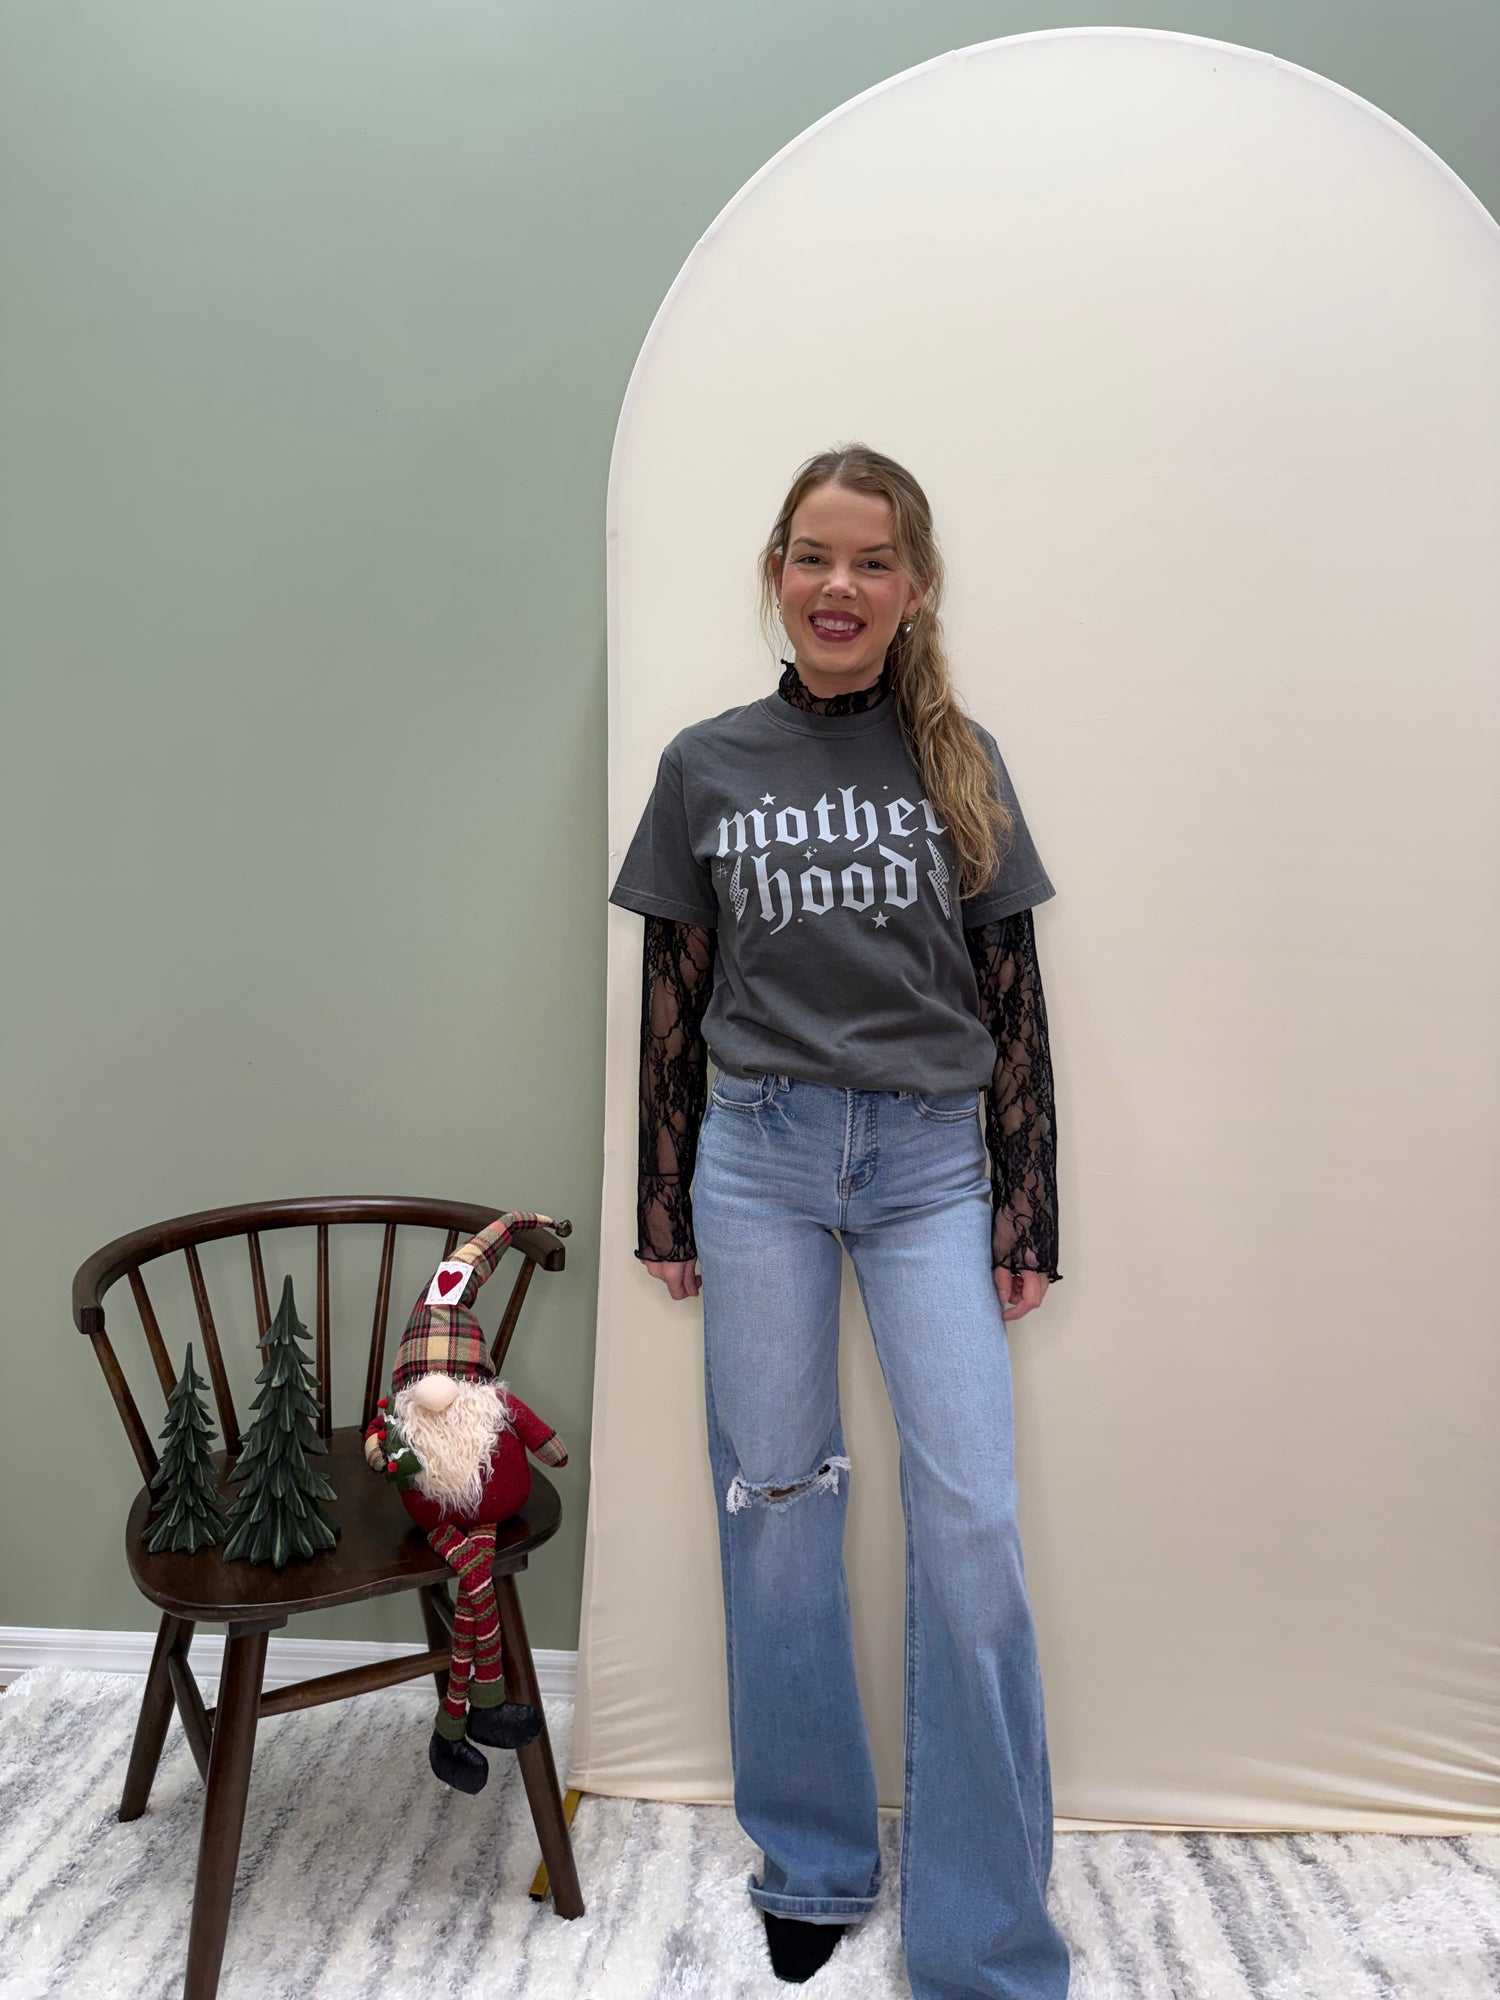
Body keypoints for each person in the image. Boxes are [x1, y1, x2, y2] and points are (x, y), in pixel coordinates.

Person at [608, 442, 1071, 2000]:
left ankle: (983, 1932)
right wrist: (665, 1191)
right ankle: (811, 1858)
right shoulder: (706, 764)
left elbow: (1010, 995)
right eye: (814, 554)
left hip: (933, 1170)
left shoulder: (963, 760)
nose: (840, 585)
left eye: (873, 561)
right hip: (758, 1163)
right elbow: (674, 994)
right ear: (777, 572)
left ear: (915, 588)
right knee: (779, 1507)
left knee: (973, 1526)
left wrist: (1027, 1206)